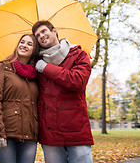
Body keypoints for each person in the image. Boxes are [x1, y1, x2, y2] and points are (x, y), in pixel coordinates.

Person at [32, 20, 94, 163]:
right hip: (49, 130)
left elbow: (77, 81)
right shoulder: (36, 62)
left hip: (75, 128)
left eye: (43, 31)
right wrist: (1, 77)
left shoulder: (79, 55)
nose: (41, 36)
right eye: (37, 35)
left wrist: (46, 68)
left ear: (54, 31)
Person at [0, 34, 40, 163]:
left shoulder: (37, 74)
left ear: (35, 50)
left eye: (29, 44)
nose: (24, 45)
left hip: (30, 134)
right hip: (7, 133)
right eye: (22, 42)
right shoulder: (4, 67)